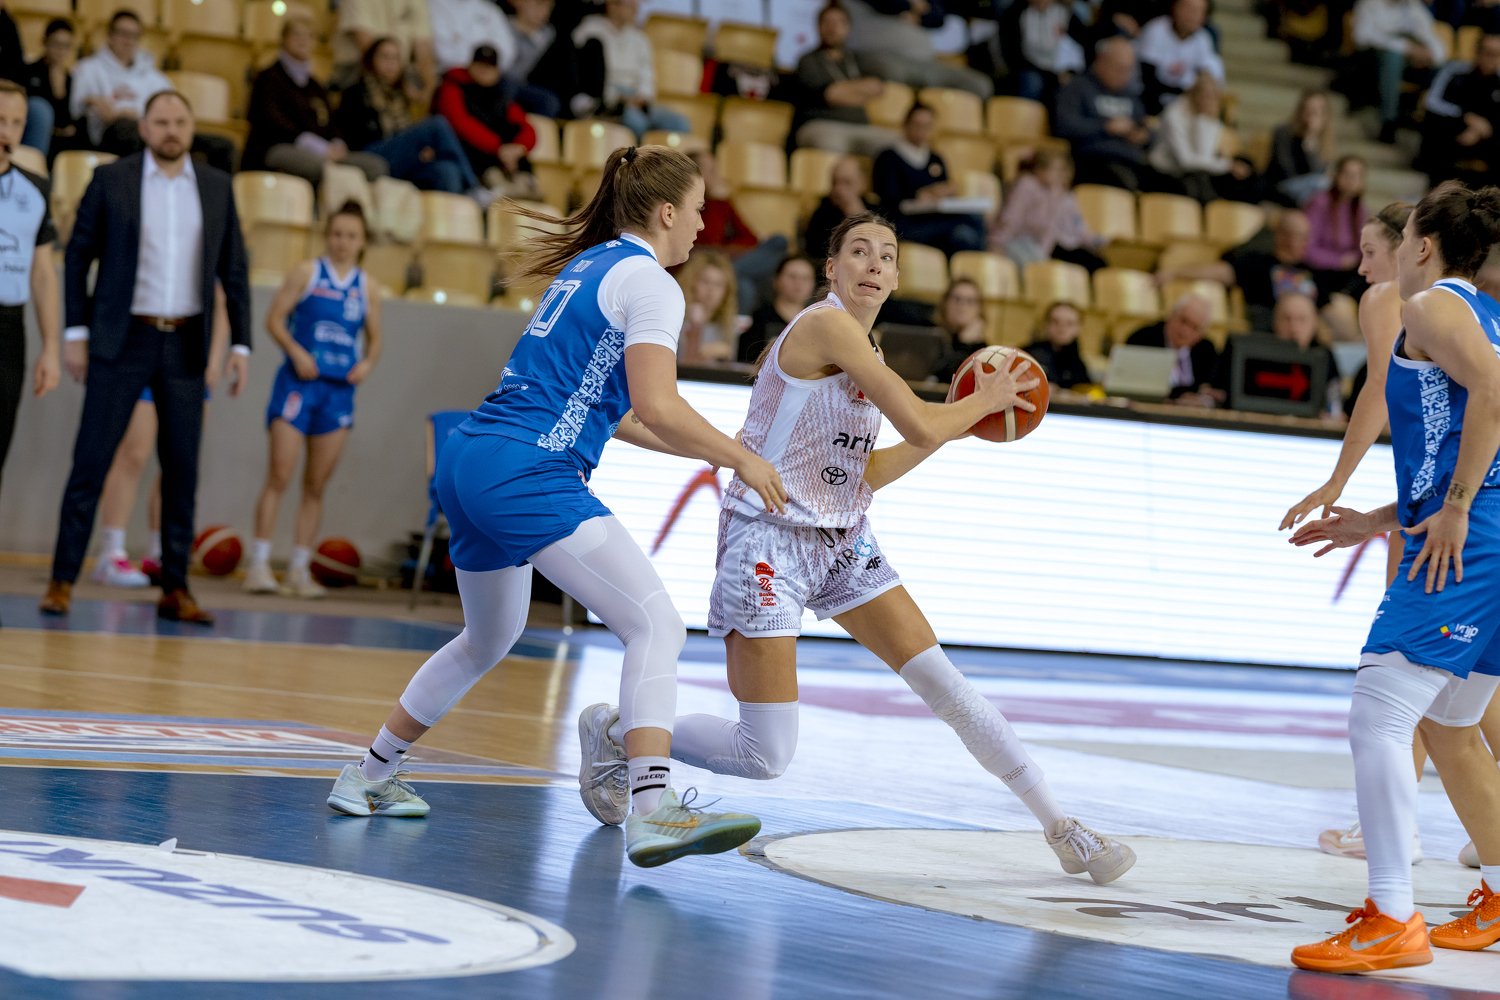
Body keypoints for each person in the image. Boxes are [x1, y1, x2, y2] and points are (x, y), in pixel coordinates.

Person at [326, 145, 782, 873]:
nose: (703, 225)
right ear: (667, 212)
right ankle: (652, 808)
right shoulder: (654, 284)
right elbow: (659, 404)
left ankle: (369, 775)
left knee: (488, 636)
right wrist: (743, 457)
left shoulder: (590, 264)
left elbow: (617, 411)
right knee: (656, 624)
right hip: (527, 468)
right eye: (698, 211)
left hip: (472, 457)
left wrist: (705, 451)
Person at [663, 210, 1135, 886]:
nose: (874, 264)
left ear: (894, 278)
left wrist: (958, 424)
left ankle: (1062, 828)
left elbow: (870, 471)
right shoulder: (826, 326)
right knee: (766, 754)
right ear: (832, 270)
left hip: (841, 538)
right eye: (859, 252)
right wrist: (984, 400)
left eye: (886, 256)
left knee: (944, 682)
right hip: (767, 537)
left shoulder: (869, 351)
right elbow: (917, 422)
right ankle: (626, 731)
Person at [1288, 181, 1500, 973]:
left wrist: (1457, 508)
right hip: (1479, 528)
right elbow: (1458, 437)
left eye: (1402, 237)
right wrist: (1378, 519)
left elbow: (1495, 397)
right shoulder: (1483, 312)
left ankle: (1391, 915)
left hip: (1473, 538)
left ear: (1423, 247)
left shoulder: (1432, 306)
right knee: (1451, 724)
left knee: (1380, 706)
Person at [40, 91, 251, 624]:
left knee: (182, 471)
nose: (171, 130)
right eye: (161, 121)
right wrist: (75, 333)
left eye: (180, 121)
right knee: (90, 463)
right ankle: (61, 580)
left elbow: (234, 270)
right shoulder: (111, 180)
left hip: (186, 342)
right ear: (145, 128)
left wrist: (241, 345)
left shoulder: (216, 186)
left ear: (192, 126)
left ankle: (175, 588)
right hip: (122, 339)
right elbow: (77, 257)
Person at [244, 203, 382, 599]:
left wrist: (367, 364)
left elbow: (376, 339)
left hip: (337, 392)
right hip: (297, 385)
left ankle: (299, 569)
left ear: (363, 242)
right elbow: (273, 319)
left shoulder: (367, 287)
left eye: (351, 236)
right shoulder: (307, 272)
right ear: (327, 236)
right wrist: (296, 351)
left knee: (316, 485)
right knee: (280, 474)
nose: (342, 242)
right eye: (337, 234)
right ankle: (259, 564)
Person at [92, 284, 232, 587]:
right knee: (133, 454)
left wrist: (213, 358)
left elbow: (219, 303)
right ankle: (111, 553)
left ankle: (160, 553)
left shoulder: (211, 257)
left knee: (178, 460)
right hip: (144, 344)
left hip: (188, 356)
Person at [70, 11, 234, 173]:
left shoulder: (154, 77)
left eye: (134, 35)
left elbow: (172, 109)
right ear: (109, 36)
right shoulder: (88, 69)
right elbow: (76, 109)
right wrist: (96, 104)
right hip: (113, 135)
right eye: (123, 33)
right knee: (127, 128)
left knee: (222, 146)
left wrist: (139, 115)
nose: (128, 40)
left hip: (156, 131)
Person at [0, 80, 61, 506]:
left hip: (9, 329)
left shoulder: (35, 190)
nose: (6, 131)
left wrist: (51, 348)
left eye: (16, 122)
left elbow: (42, 274)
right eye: (0, 119)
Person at [242, 18, 389, 186]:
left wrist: (337, 143)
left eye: (309, 36)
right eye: (296, 35)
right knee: (318, 166)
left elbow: (331, 122)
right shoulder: (268, 78)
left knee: (375, 167)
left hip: (323, 151)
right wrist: (316, 146)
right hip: (277, 146)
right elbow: (272, 122)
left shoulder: (315, 86)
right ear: (283, 39)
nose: (303, 41)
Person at [335, 36, 482, 196]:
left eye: (396, 59)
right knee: (437, 124)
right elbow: (352, 137)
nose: (391, 64)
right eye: (385, 57)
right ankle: (474, 189)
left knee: (447, 170)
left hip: (400, 159)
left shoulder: (401, 94)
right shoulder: (356, 92)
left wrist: (415, 150)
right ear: (371, 60)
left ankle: (458, 209)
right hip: (370, 155)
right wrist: (409, 146)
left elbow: (405, 136)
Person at [1159, 209, 1318, 333]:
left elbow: (1326, 308)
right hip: (1267, 338)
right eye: (1300, 236)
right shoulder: (1256, 264)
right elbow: (1220, 272)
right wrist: (1175, 273)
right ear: (1281, 236)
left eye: (1307, 237)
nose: (1306, 243)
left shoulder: (1311, 271)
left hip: (1307, 345)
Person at [1054, 37, 1167, 193]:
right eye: (1119, 68)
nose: (1124, 75)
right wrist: (1106, 127)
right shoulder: (1076, 88)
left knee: (1169, 188)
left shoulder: (1131, 97)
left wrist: (1143, 136)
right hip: (1092, 160)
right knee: (1122, 182)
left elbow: (1145, 130)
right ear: (1101, 61)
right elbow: (1065, 126)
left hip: (1132, 162)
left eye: (1129, 70)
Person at [872, 104, 985, 255]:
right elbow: (887, 198)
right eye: (917, 124)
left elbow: (943, 191)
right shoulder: (888, 158)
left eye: (927, 126)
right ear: (905, 124)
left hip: (934, 221)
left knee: (963, 234)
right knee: (969, 222)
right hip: (904, 223)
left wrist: (946, 192)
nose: (921, 130)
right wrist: (918, 195)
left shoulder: (935, 159)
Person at [793, 4, 902, 158]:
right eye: (827, 22)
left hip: (860, 128)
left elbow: (877, 87)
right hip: (820, 126)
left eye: (838, 23)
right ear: (818, 26)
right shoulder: (808, 60)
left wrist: (842, 91)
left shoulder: (858, 60)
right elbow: (830, 94)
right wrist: (859, 93)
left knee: (898, 145)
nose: (832, 28)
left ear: (848, 27)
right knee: (832, 143)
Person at [572, 0, 691, 140]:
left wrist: (642, 96)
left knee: (679, 123)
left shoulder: (640, 38)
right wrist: (619, 98)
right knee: (636, 122)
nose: (635, 11)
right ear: (612, 5)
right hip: (607, 98)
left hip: (636, 97)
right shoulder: (590, 30)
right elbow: (588, 75)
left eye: (635, 7)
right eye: (629, 6)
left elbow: (647, 74)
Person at [689, 148, 788, 314]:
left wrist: (730, 251)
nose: (717, 176)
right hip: (702, 258)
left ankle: (732, 272)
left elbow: (751, 239)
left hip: (727, 258)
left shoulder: (721, 202)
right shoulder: (692, 203)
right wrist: (717, 201)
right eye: (711, 171)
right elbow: (706, 241)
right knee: (745, 284)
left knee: (779, 241)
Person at [433, 44, 539, 196]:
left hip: (501, 158)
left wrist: (517, 149)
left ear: (497, 71)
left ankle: (523, 185)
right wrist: (498, 149)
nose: (484, 71)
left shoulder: (500, 95)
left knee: (513, 131)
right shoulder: (453, 87)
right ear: (470, 65)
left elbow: (526, 127)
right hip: (466, 157)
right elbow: (460, 124)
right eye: (480, 65)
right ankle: (495, 187)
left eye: (489, 67)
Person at [840, 0, 994, 99]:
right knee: (894, 76)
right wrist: (913, 4)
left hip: (925, 61)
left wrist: (915, 13)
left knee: (980, 85)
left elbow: (938, 16)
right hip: (878, 55)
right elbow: (887, 4)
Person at [989, 148, 1107, 272]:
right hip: (1014, 242)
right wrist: (997, 244)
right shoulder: (1026, 185)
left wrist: (1043, 255)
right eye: (1056, 170)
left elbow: (1050, 229)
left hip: (1034, 249)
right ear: (1039, 170)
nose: (1060, 175)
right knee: (1034, 267)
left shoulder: (1054, 192)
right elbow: (1010, 219)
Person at [1149, 73, 1256, 205]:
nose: (1206, 101)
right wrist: (1227, 165)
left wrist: (1201, 122)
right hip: (1163, 173)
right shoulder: (1174, 115)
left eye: (1212, 97)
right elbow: (1186, 161)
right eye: (1203, 95)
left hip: (1192, 175)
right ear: (1193, 94)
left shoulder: (1209, 120)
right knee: (1199, 187)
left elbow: (1203, 155)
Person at [1352, 0, 1446, 143]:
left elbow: (1434, 40)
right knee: (1392, 57)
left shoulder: (1415, 8)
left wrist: (1429, 55)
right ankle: (1389, 122)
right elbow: (1362, 37)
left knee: (1445, 67)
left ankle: (1430, 128)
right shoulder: (1369, 4)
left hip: (1410, 62)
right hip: (1372, 60)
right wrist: (1405, 48)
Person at [1421, 33, 1500, 187]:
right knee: (1435, 124)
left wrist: (1481, 129)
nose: (1492, 59)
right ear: (1477, 52)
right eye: (1488, 53)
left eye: (1497, 55)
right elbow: (1431, 102)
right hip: (1454, 131)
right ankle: (1433, 188)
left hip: (1487, 139)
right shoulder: (1455, 72)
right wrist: (1465, 117)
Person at [1132, 0, 1225, 114]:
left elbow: (1203, 79)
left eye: (1197, 11)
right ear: (1175, 7)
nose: (1191, 15)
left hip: (1184, 104)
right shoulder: (1155, 29)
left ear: (1204, 17)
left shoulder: (1204, 39)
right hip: (1150, 99)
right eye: (1187, 8)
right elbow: (1147, 79)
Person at [332, 0, 436, 100]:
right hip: (360, 67)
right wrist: (400, 85)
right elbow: (367, 45)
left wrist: (429, 88)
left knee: (434, 88)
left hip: (400, 70)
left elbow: (423, 46)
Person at [1127, 293, 1220, 403]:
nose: (1185, 331)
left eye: (1194, 328)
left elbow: (1211, 391)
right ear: (1171, 315)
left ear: (1202, 333)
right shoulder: (1142, 339)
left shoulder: (1206, 350)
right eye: (1183, 321)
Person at [1305, 157, 1370, 307]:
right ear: (1336, 175)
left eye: (1356, 176)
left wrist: (1352, 259)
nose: (1351, 180)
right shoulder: (1320, 202)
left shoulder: (1360, 209)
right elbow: (1307, 248)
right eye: (1347, 174)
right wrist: (1338, 261)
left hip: (1347, 270)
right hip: (1319, 268)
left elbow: (1362, 248)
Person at [998, 0, 1087, 106]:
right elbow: (1013, 55)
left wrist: (1070, 72)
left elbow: (1083, 44)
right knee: (1032, 82)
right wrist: (1049, 74)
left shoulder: (1065, 13)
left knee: (1075, 84)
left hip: (1061, 70)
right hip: (1030, 68)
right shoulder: (1015, 13)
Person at [21, 19, 80, 161]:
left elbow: (68, 123)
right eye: (56, 44)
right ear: (45, 42)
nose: (60, 51)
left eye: (66, 46)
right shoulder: (27, 72)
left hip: (62, 144)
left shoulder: (71, 79)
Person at [742, 254, 817, 364]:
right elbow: (749, 360)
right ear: (776, 280)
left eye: (806, 278)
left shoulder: (817, 321)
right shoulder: (761, 317)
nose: (799, 283)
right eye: (792, 277)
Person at [1265, 89, 1334, 206]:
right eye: (1310, 110)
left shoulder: (1324, 140)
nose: (1312, 115)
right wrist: (1306, 142)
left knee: (1320, 192)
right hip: (1281, 186)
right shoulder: (1283, 132)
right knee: (1322, 185)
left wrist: (1311, 143)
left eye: (1317, 111)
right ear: (1301, 111)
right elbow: (1285, 170)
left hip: (1309, 190)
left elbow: (1319, 171)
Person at [3, 12, 59, 154]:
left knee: (39, 110)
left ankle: (31, 164)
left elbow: (17, 74)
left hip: (6, 91)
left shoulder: (8, 24)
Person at [501, 0, 564, 119]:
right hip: (501, 80)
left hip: (527, 85)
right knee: (507, 88)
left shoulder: (549, 35)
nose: (544, 12)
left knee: (549, 101)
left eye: (549, 8)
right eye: (539, 4)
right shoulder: (502, 26)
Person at [805, 156, 875, 262]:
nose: (839, 189)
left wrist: (858, 216)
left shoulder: (876, 210)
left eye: (847, 182)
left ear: (862, 184)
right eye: (835, 182)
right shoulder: (822, 213)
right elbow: (816, 253)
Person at [675, 247, 738, 364]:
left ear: (726, 292)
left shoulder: (727, 327)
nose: (711, 289)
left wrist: (726, 353)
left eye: (718, 284)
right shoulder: (676, 320)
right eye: (705, 281)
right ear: (691, 282)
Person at [428, 0, 514, 74]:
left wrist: (486, 68)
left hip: (491, 75)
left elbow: (507, 53)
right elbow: (442, 52)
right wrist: (475, 67)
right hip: (449, 74)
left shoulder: (489, 9)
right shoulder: (433, 5)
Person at [929, 277, 988, 383]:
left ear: (979, 309)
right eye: (957, 299)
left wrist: (966, 343)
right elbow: (942, 378)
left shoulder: (982, 349)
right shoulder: (931, 337)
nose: (962, 306)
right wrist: (963, 344)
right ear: (945, 303)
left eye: (970, 301)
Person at [1026, 301, 1091, 389]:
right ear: (1046, 324)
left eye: (1069, 324)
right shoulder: (1028, 355)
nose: (1062, 329)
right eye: (1055, 322)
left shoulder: (1079, 365)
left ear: (1079, 328)